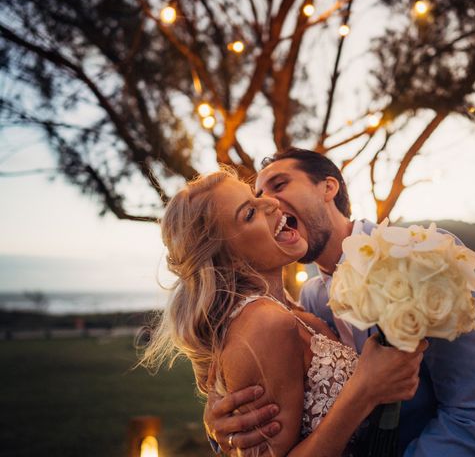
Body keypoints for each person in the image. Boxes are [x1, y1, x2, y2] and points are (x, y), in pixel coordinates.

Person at [204, 148, 475, 456]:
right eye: (258, 199)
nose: (271, 204)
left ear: (328, 187)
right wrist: (223, 425)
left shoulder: (427, 256)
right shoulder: (311, 299)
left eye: (279, 185)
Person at [140, 168, 425, 457]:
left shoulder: (298, 305)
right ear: (231, 261)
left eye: (256, 196)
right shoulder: (264, 323)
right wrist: (365, 391)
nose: (272, 203)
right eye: (249, 213)